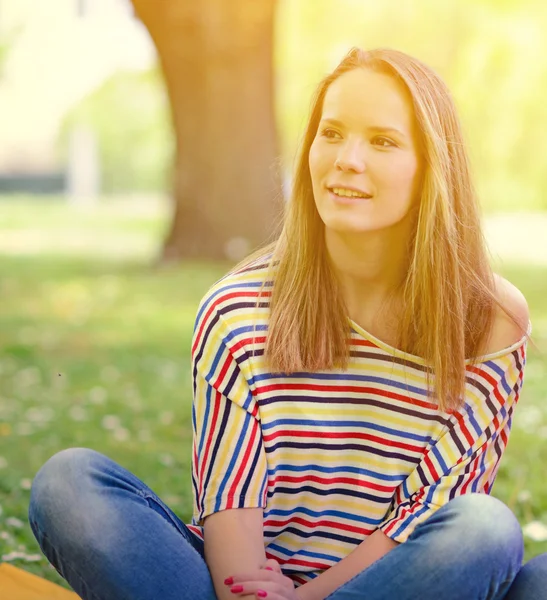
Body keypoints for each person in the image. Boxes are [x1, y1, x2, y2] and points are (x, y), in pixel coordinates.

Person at [28, 47, 547, 600]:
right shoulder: (240, 308)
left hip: (395, 584)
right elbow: (232, 516)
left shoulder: (489, 323)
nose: (347, 158)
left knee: (484, 531)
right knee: (68, 485)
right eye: (331, 133)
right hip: (248, 590)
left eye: (383, 141)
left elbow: (428, 519)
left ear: (432, 169)